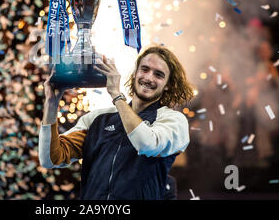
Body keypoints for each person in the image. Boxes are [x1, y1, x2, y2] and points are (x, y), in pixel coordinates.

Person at [38, 45, 195, 200]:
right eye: (145, 69)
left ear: (168, 85)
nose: (148, 78)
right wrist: (51, 103)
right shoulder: (98, 119)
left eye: (159, 75)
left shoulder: (173, 120)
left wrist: (116, 95)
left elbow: (147, 144)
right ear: (135, 73)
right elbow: (50, 158)